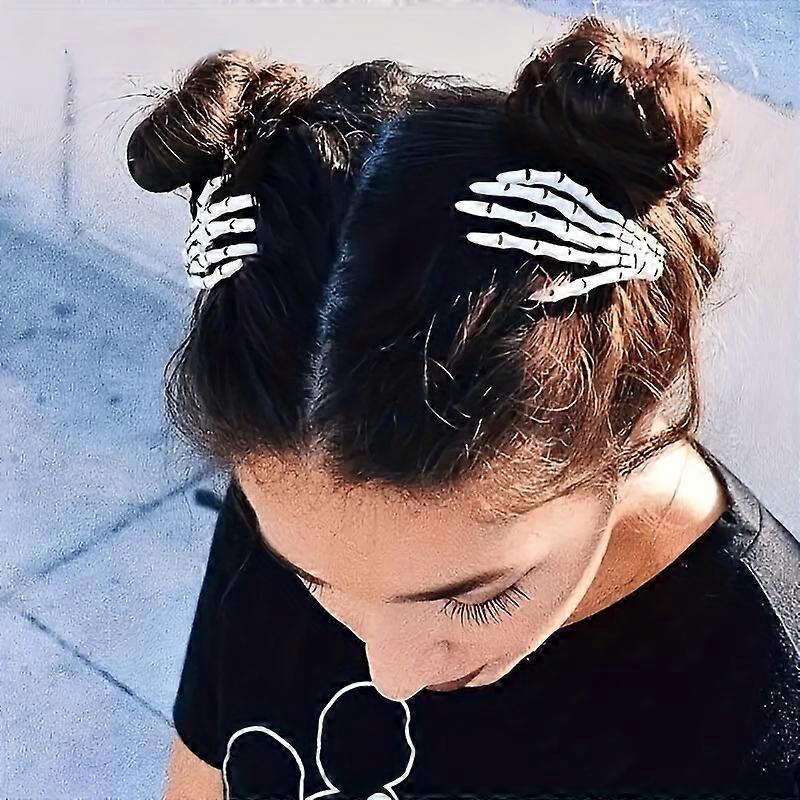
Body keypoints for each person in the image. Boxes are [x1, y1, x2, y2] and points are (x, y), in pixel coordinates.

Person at [127, 15, 800, 799]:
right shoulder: (306, 474)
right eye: (311, 581)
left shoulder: (759, 720)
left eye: (481, 601)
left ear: (633, 412)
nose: (391, 675)